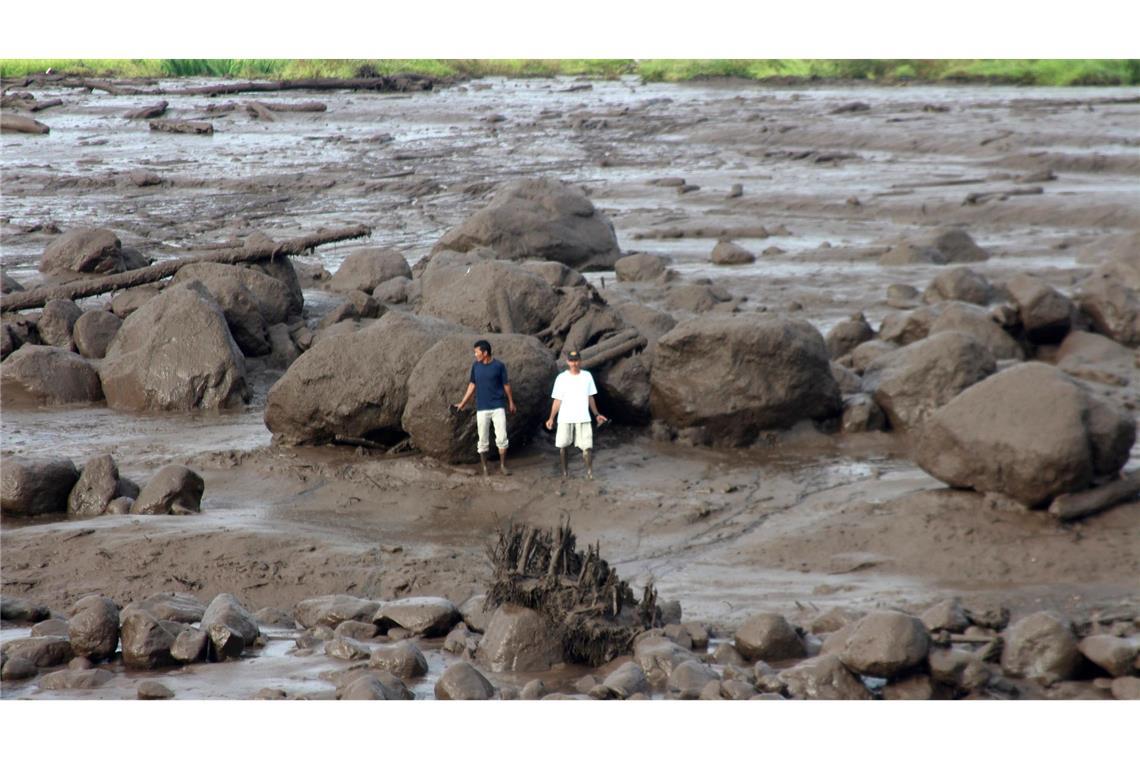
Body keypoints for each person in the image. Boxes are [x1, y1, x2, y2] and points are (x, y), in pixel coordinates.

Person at [453, 339, 516, 476]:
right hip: (482, 407)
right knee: (482, 439)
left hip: (498, 406)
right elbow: (472, 385)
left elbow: (506, 385)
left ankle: (503, 465)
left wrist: (511, 402)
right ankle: (485, 468)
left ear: (485, 353)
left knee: (502, 437)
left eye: (477, 352)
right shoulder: (476, 366)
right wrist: (462, 403)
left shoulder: (499, 366)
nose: (475, 355)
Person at [545, 349, 607, 480]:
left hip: (583, 416)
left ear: (580, 361)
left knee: (587, 446)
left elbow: (590, 398)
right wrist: (551, 418)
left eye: (576, 360)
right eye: (571, 361)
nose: (574, 363)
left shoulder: (587, 376)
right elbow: (557, 400)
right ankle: (565, 473)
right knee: (563, 445)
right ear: (568, 362)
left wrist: (596, 414)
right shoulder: (561, 378)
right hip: (565, 417)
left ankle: (589, 473)